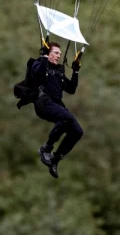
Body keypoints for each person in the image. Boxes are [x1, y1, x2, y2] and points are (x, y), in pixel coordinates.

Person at [25, 41, 83, 178]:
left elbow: (71, 89)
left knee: (77, 131)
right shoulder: (38, 65)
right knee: (66, 118)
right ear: (48, 53)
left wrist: (75, 71)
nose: (58, 56)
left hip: (56, 105)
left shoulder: (58, 72)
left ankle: (55, 159)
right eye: (56, 53)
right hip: (43, 103)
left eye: (60, 54)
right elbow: (38, 75)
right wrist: (44, 56)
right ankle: (46, 147)